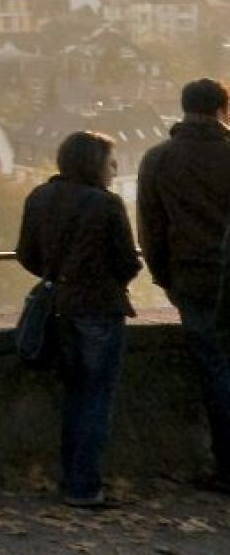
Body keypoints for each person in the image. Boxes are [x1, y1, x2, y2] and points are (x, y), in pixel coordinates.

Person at [22, 131, 143, 509]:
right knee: (95, 398)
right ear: (95, 164)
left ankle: (71, 479)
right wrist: (110, 279)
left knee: (75, 395)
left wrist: (57, 274)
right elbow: (126, 260)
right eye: (110, 162)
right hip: (99, 309)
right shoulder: (105, 205)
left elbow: (27, 254)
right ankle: (84, 486)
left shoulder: (39, 197)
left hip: (58, 306)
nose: (114, 169)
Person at [140, 78, 230, 494]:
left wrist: (166, 279)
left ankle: (226, 466)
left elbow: (151, 231)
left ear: (183, 108)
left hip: (193, 278)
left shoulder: (159, 160)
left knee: (215, 371)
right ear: (223, 110)